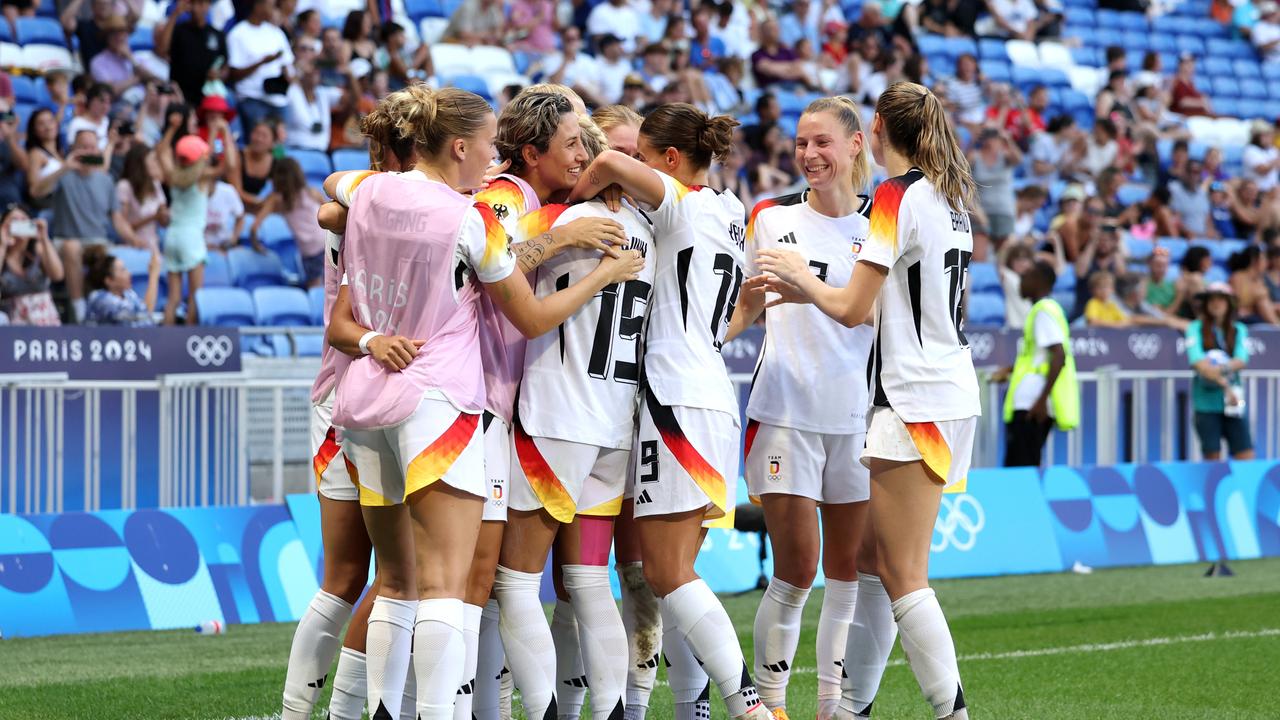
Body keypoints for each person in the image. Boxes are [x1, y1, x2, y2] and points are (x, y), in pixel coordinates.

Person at [324, 85, 642, 720]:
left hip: (369, 402)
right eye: (490, 144)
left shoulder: (378, 190)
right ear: (462, 146)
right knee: (454, 582)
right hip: (453, 402)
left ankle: (384, 711)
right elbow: (525, 314)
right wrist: (596, 267)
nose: (494, 157)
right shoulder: (478, 211)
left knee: (401, 583)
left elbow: (337, 190)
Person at [753, 81, 977, 720]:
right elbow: (895, 304)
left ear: (873, 132)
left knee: (902, 573)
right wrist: (813, 293)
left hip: (912, 399)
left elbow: (854, 309)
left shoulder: (892, 196)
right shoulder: (948, 197)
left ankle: (950, 710)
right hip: (949, 390)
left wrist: (802, 280)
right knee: (874, 564)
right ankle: (849, 710)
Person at [568, 103, 771, 720]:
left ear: (670, 162)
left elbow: (603, 161)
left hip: (674, 402)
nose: (634, 170)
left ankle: (747, 703)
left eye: (645, 160)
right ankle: (703, 707)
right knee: (678, 576)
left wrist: (566, 205)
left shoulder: (680, 203)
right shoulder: (731, 209)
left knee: (667, 571)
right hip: (711, 396)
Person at [721, 96, 874, 720]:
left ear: (856, 144)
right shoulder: (768, 219)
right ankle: (774, 706)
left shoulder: (882, 228)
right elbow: (737, 310)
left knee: (848, 574)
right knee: (796, 571)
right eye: (800, 143)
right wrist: (731, 324)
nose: (809, 154)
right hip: (785, 412)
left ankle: (833, 706)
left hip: (858, 419)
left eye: (822, 142)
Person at [501, 112, 653, 720]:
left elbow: (485, 260)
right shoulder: (648, 227)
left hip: (557, 420)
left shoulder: (556, 219)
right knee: (590, 582)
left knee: (512, 584)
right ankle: (612, 711)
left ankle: (538, 711)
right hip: (616, 423)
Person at [280, 89, 419, 720]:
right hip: (362, 392)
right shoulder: (388, 198)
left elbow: (330, 204)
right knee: (380, 577)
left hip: (355, 392)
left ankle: (310, 713)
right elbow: (329, 206)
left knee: (360, 577)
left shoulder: (358, 195)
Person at [45, 129, 137, 323]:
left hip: (98, 242)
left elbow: (118, 219)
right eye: (83, 146)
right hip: (65, 242)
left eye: (93, 146)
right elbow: (36, 190)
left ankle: (122, 312)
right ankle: (79, 310)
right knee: (72, 247)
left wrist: (137, 241)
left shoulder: (106, 180)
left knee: (118, 260)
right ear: (74, 149)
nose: (89, 150)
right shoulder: (62, 175)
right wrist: (64, 167)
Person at [992, 260, 1077, 467]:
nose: (1020, 281)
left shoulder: (1043, 310)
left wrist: (1041, 401)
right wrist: (1011, 370)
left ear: (1039, 280)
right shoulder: (1043, 310)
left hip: (1031, 405)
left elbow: (1059, 355)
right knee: (1022, 465)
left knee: (1021, 468)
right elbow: (1040, 358)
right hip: (1031, 403)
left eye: (1025, 276)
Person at [155, 122, 225, 325]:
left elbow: (161, 153)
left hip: (172, 236)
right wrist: (215, 132)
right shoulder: (202, 177)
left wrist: (171, 128)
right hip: (191, 238)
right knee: (195, 295)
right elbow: (223, 165)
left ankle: (166, 342)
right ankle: (187, 341)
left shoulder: (173, 176)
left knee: (173, 298)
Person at [1186, 284, 1255, 460]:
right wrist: (1224, 383)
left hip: (1233, 402)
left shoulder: (1239, 330)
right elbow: (1198, 362)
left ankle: (1243, 488)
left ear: (1229, 303)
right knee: (1212, 457)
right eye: (1212, 300)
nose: (1216, 304)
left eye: (1221, 299)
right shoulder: (1195, 328)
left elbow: (1241, 360)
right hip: (1206, 403)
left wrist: (1220, 369)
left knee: (1246, 454)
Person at [251, 157, 326, 287]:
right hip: (327, 241)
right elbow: (331, 214)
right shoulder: (312, 192)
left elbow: (254, 227)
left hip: (309, 250)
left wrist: (256, 245)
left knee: (315, 286)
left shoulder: (276, 200)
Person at [227, 0, 294, 132]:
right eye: (271, 5)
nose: (274, 9)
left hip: (278, 99)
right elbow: (233, 74)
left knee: (278, 147)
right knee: (259, 143)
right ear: (258, 6)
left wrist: (288, 77)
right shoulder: (238, 33)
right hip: (252, 98)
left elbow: (287, 64)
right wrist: (262, 62)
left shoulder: (276, 32)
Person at [0, 206, 63, 325]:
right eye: (14, 220)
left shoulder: (38, 249)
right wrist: (2, 245)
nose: (19, 223)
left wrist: (44, 238)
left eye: (23, 220)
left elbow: (57, 275)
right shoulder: (2, 252)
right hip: (10, 322)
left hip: (45, 318)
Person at [83, 246, 160, 326]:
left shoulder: (129, 294)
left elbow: (145, 313)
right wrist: (153, 275)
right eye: (123, 270)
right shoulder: (99, 299)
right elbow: (143, 319)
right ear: (109, 280)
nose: (129, 273)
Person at [116, 144, 168, 252]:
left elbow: (163, 222)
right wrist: (153, 217)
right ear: (141, 163)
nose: (156, 164)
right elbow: (122, 225)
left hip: (153, 246)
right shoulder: (124, 186)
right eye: (153, 160)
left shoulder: (155, 184)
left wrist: (165, 215)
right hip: (133, 247)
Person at [24, 107, 63, 209]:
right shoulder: (36, 153)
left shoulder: (61, 153)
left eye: (51, 121)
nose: (48, 127)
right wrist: (64, 169)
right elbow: (34, 190)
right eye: (41, 124)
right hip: (50, 205)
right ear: (34, 131)